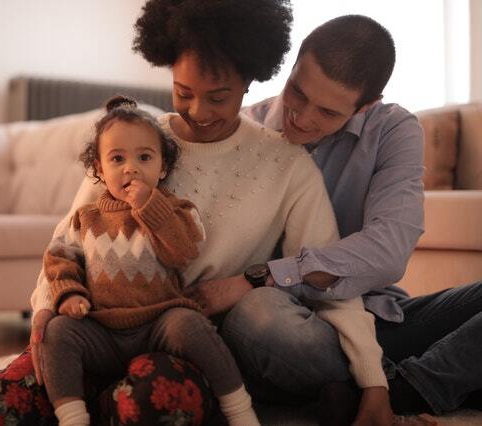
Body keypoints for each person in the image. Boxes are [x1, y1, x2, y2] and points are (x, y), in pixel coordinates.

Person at [31, 2, 396, 424]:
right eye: (183, 92)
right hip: (108, 326)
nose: (199, 112)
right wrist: (44, 312)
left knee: (154, 398)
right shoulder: (136, 142)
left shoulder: (288, 164)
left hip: (203, 343)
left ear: (250, 82)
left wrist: (374, 384)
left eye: (219, 97)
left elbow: (328, 283)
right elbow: (67, 241)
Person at [180, 13, 482, 421]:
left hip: (380, 322)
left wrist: (264, 274)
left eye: (326, 112)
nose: (301, 118)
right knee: (259, 317)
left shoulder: (392, 129)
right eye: (297, 93)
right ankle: (437, 378)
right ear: (292, 67)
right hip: (282, 329)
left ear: (365, 106)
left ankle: (405, 389)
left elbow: (390, 250)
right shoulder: (242, 129)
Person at [40, 95, 260, 426]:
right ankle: (73, 417)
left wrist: (148, 207)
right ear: (99, 169)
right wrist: (69, 293)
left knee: (190, 324)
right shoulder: (86, 218)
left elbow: (182, 251)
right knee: (58, 331)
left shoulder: (176, 210)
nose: (130, 168)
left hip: (159, 324)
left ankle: (240, 410)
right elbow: (60, 258)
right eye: (117, 159)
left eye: (144, 157)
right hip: (102, 328)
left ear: (163, 167)